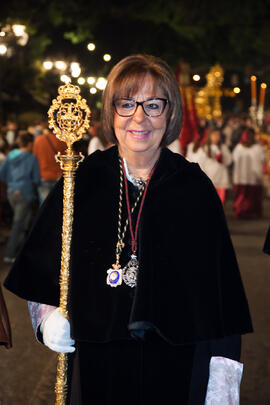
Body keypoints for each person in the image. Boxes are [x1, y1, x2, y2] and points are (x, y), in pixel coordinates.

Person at [4, 55, 252, 405]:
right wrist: (46, 319)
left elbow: (222, 299)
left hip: (179, 366)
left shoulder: (194, 188)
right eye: (127, 104)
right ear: (111, 111)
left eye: (152, 105)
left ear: (170, 113)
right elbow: (42, 264)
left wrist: (221, 388)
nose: (139, 118)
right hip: (96, 361)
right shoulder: (82, 180)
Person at [0, 132, 40, 263]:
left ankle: (18, 253)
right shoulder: (32, 158)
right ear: (29, 144)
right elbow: (36, 178)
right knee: (19, 224)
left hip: (12, 192)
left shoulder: (10, 156)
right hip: (25, 192)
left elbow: (2, 173)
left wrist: (12, 183)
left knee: (20, 222)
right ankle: (10, 254)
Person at [232, 127, 265, 219]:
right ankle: (246, 212)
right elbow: (261, 160)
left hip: (247, 177)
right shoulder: (254, 148)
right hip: (247, 177)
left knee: (247, 197)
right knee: (247, 197)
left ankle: (245, 212)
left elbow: (234, 159)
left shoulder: (242, 148)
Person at [200, 128, 232, 206]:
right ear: (209, 136)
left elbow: (229, 160)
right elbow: (201, 163)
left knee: (221, 201)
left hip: (221, 178)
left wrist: (221, 156)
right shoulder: (205, 148)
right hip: (210, 177)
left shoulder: (223, 147)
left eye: (218, 135)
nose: (217, 137)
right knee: (210, 200)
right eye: (214, 135)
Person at [33, 129, 66, 204]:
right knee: (58, 204)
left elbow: (35, 159)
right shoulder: (62, 141)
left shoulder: (38, 141)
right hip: (58, 176)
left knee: (45, 204)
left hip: (43, 175)